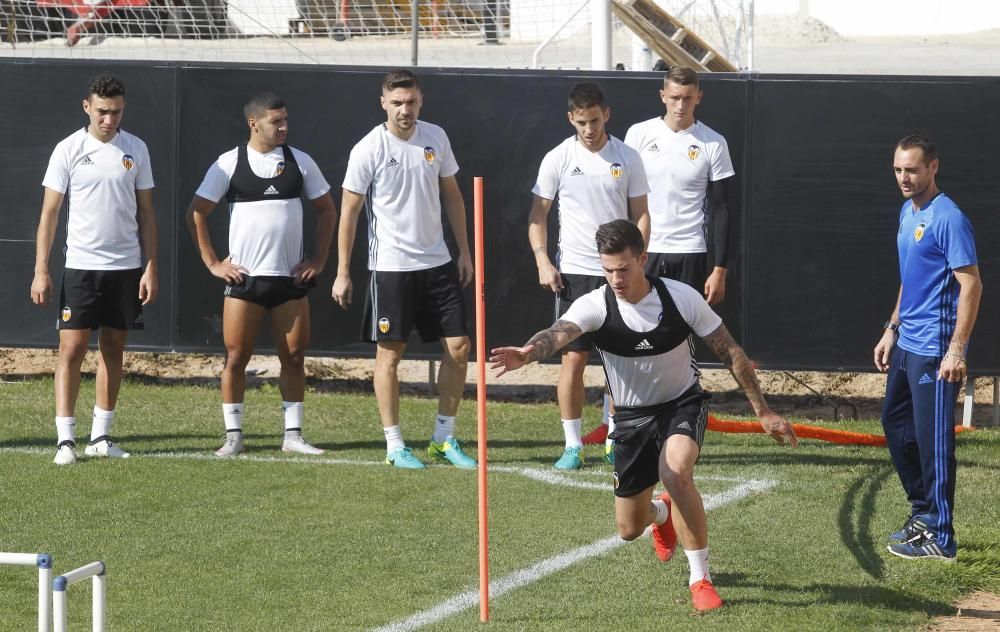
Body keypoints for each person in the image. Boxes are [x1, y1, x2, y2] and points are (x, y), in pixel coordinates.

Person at [491, 219, 797, 611]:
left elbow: (730, 350)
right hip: (631, 419)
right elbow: (559, 332)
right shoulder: (596, 304)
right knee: (628, 529)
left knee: (675, 472)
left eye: (624, 268)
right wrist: (528, 353)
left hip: (681, 404)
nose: (616, 278)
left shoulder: (680, 297)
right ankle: (661, 513)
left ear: (642, 259)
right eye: (608, 270)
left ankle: (700, 578)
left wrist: (763, 411)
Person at [577, 67, 738, 449]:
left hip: (690, 254)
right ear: (662, 95)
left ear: (699, 97)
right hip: (641, 251)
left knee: (682, 339)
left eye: (688, 97)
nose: (680, 105)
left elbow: (722, 209)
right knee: (621, 331)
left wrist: (720, 267)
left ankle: (679, 424)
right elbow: (626, 194)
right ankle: (612, 422)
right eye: (674, 97)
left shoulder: (713, 143)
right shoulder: (638, 135)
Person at [332, 69, 477, 470]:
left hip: (439, 263)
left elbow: (452, 195)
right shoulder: (368, 148)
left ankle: (443, 440)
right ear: (384, 104)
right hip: (391, 266)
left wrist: (463, 250)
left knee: (460, 348)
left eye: (411, 102)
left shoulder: (436, 137)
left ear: (421, 101)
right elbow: (349, 211)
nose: (405, 110)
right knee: (391, 355)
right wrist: (343, 270)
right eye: (397, 103)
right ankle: (395, 445)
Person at [186, 92, 337, 457]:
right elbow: (196, 212)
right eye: (276, 121)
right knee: (236, 358)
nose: (284, 127)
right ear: (254, 123)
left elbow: (328, 210)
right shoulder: (229, 163)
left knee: (295, 357)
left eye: (286, 120)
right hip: (245, 282)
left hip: (290, 282)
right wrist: (213, 264)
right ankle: (234, 436)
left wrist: (317, 260)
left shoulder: (300, 162)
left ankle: (293, 436)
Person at [31, 73, 158, 465]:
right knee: (71, 349)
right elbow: (49, 213)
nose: (109, 119)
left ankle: (100, 436)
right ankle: (65, 441)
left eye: (116, 112)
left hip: (125, 267)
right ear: (87, 107)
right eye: (102, 111)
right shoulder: (68, 149)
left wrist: (150, 267)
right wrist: (42, 269)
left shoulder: (136, 148)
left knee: (114, 348)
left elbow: (148, 214)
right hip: (81, 266)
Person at [529, 81, 650, 470]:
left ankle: (615, 437)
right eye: (581, 122)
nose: (589, 129)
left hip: (616, 275)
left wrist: (636, 260)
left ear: (606, 115)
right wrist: (543, 260)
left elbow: (642, 214)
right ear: (571, 119)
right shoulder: (558, 158)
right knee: (573, 362)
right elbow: (538, 216)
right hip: (575, 276)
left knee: (622, 361)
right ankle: (572, 445)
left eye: (595, 120)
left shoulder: (627, 157)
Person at [874, 135, 981, 561]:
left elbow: (971, 285)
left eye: (912, 170)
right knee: (895, 425)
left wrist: (957, 349)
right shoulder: (907, 210)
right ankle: (923, 513)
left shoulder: (948, 218)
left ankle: (941, 535)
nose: (904, 177)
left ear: (932, 168)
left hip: (936, 348)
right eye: (899, 169)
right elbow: (912, 277)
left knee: (933, 439)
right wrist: (891, 327)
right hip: (907, 341)